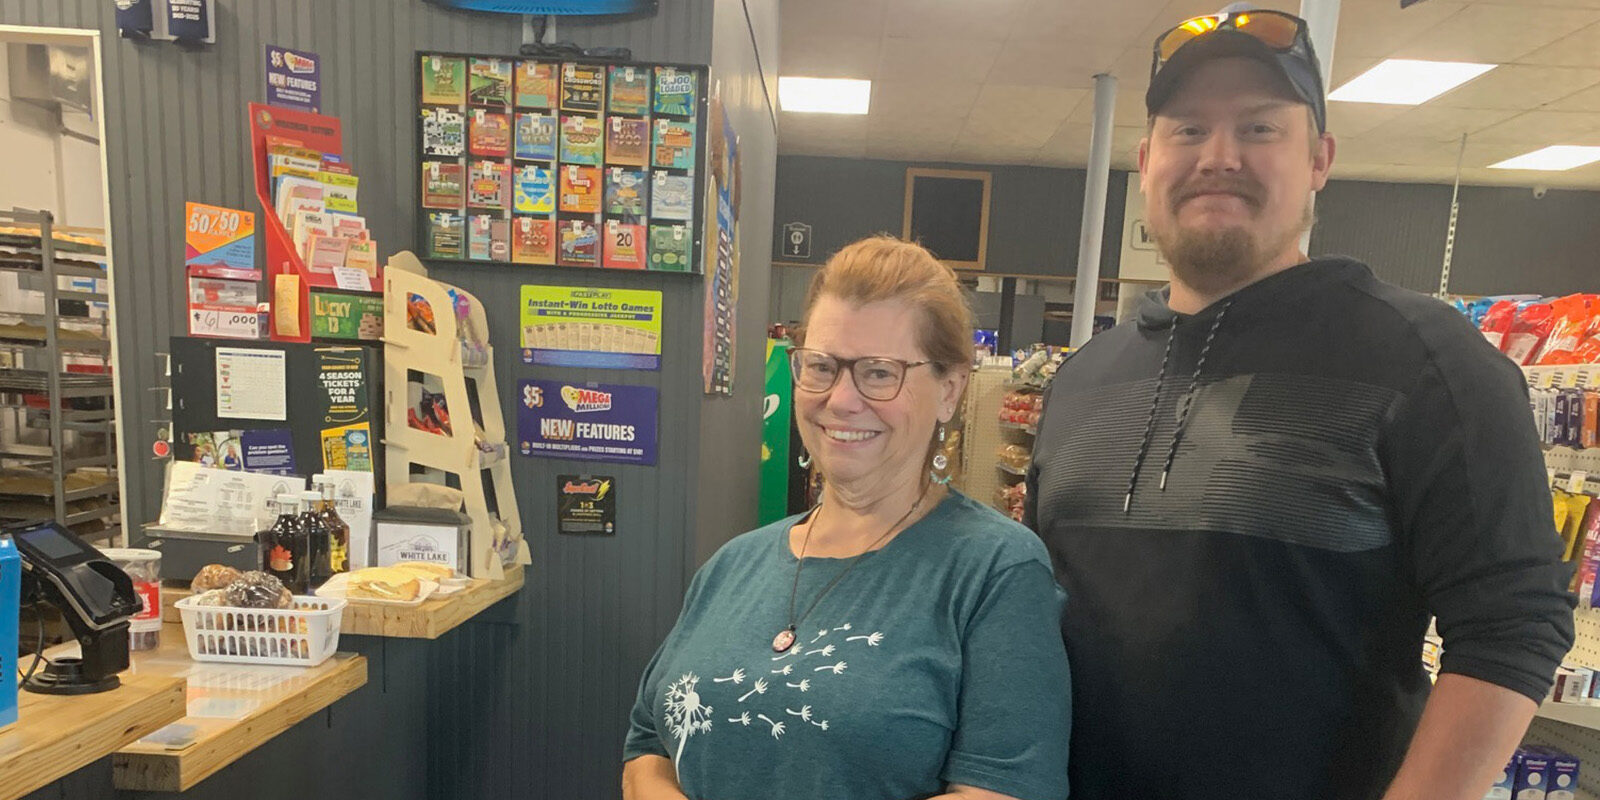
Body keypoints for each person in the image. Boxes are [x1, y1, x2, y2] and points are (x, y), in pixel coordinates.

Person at [1026, 5, 1574, 800]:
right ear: (1145, 161)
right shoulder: (1083, 379)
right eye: (1188, 130)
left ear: (1319, 158)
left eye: (1258, 128)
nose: (1219, 157)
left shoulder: (1430, 363)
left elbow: (1514, 625)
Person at [624, 236, 1071, 800]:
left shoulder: (995, 571)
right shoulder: (732, 564)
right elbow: (647, 745)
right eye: (821, 366)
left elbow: (1004, 790)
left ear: (950, 390)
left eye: (879, 373)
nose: (840, 399)